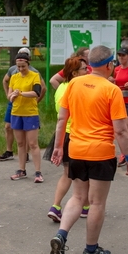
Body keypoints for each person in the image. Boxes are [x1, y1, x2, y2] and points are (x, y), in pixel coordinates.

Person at [49, 45, 128, 254]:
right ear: (108, 65)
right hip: (101, 153)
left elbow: (62, 119)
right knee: (96, 203)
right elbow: (121, 130)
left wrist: (59, 146)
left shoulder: (73, 83)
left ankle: (61, 234)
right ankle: (91, 250)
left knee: (78, 197)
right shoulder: (111, 90)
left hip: (76, 149)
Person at [47, 56, 89, 223]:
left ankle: (56, 206)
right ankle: (84, 207)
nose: (87, 72)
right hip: (76, 134)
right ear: (74, 73)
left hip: (63, 134)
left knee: (67, 173)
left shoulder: (60, 87)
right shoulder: (78, 89)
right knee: (84, 174)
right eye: (84, 69)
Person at [8, 52, 45, 183]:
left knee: (33, 143)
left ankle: (38, 172)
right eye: (19, 67)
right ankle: (21, 170)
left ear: (28, 64)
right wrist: (12, 96)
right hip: (16, 112)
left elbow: (36, 92)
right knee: (20, 143)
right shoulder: (14, 77)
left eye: (23, 66)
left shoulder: (35, 76)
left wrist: (21, 93)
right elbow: (9, 95)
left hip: (30, 113)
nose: (21, 69)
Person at [0, 47, 41, 160]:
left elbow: (41, 89)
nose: (21, 68)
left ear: (28, 59)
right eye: (20, 55)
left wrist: (35, 101)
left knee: (27, 133)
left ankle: (25, 153)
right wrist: (9, 95)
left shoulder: (34, 73)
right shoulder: (13, 70)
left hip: (28, 106)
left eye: (25, 55)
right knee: (8, 126)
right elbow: (5, 81)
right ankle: (9, 150)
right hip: (14, 103)